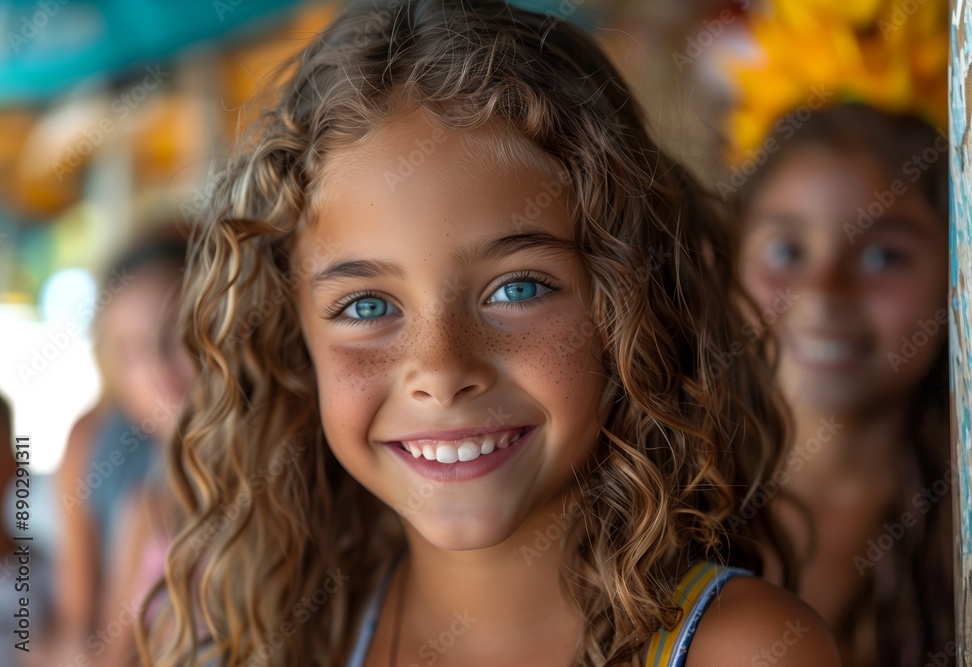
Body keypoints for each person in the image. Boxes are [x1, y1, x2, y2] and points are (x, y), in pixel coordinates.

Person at [142, 1, 841, 665]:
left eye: (518, 287)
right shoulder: (303, 638)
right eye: (364, 306)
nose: (441, 369)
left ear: (631, 302)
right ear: (294, 344)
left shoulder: (745, 650)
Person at [733, 102, 951, 666]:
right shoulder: (658, 501)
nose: (824, 291)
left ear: (961, 277)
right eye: (787, 250)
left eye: (883, 256)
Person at [52, 224, 191, 662]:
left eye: (178, 335)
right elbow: (92, 634)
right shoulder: (145, 504)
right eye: (130, 352)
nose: (156, 367)